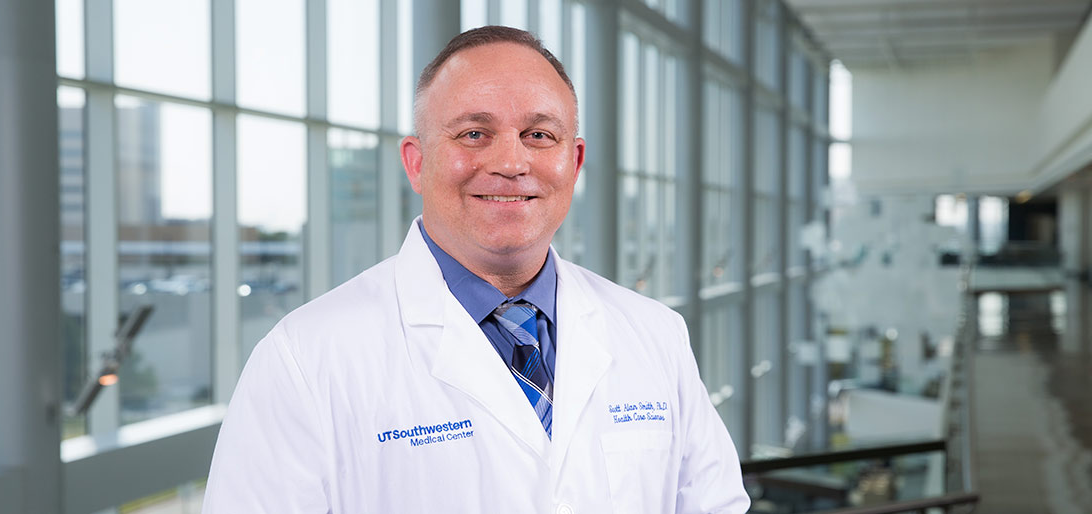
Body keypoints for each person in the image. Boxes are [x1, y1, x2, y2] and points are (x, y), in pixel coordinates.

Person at [203, 26, 749, 513]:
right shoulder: (304, 359)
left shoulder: (655, 334)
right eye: (473, 134)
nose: (511, 163)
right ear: (417, 163)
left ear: (574, 161)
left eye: (539, 135)